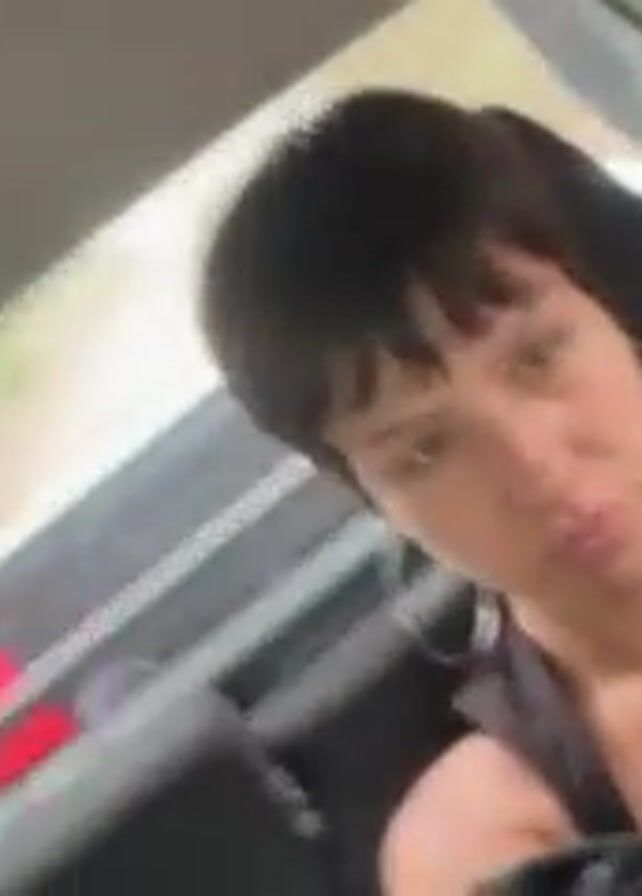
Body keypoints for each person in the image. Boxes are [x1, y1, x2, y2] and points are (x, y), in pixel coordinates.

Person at [199, 88, 642, 893]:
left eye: (538, 356)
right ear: (369, 495)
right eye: (427, 449)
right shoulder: (487, 843)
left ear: (611, 311)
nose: (534, 463)